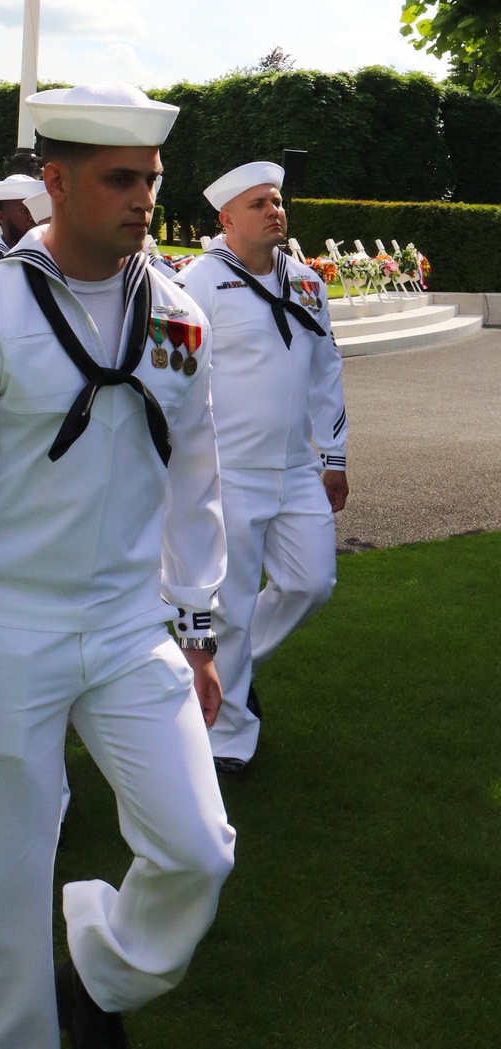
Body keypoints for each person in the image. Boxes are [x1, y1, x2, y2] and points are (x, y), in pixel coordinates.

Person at [0, 84, 235, 1049]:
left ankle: (99, 967)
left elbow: (195, 478)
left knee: (197, 849)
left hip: (133, 628)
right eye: (120, 178)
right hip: (9, 628)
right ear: (56, 180)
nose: (142, 197)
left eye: (151, 179)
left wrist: (198, 625)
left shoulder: (176, 313)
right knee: (7, 879)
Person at [173, 162, 348, 779]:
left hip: (298, 466)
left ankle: (226, 669)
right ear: (226, 219)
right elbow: (179, 377)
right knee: (232, 603)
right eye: (259, 204)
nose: (275, 211)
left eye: (277, 201)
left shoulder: (306, 282)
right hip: (229, 471)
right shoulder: (195, 283)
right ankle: (228, 740)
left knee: (311, 583)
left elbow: (326, 368)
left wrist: (335, 454)